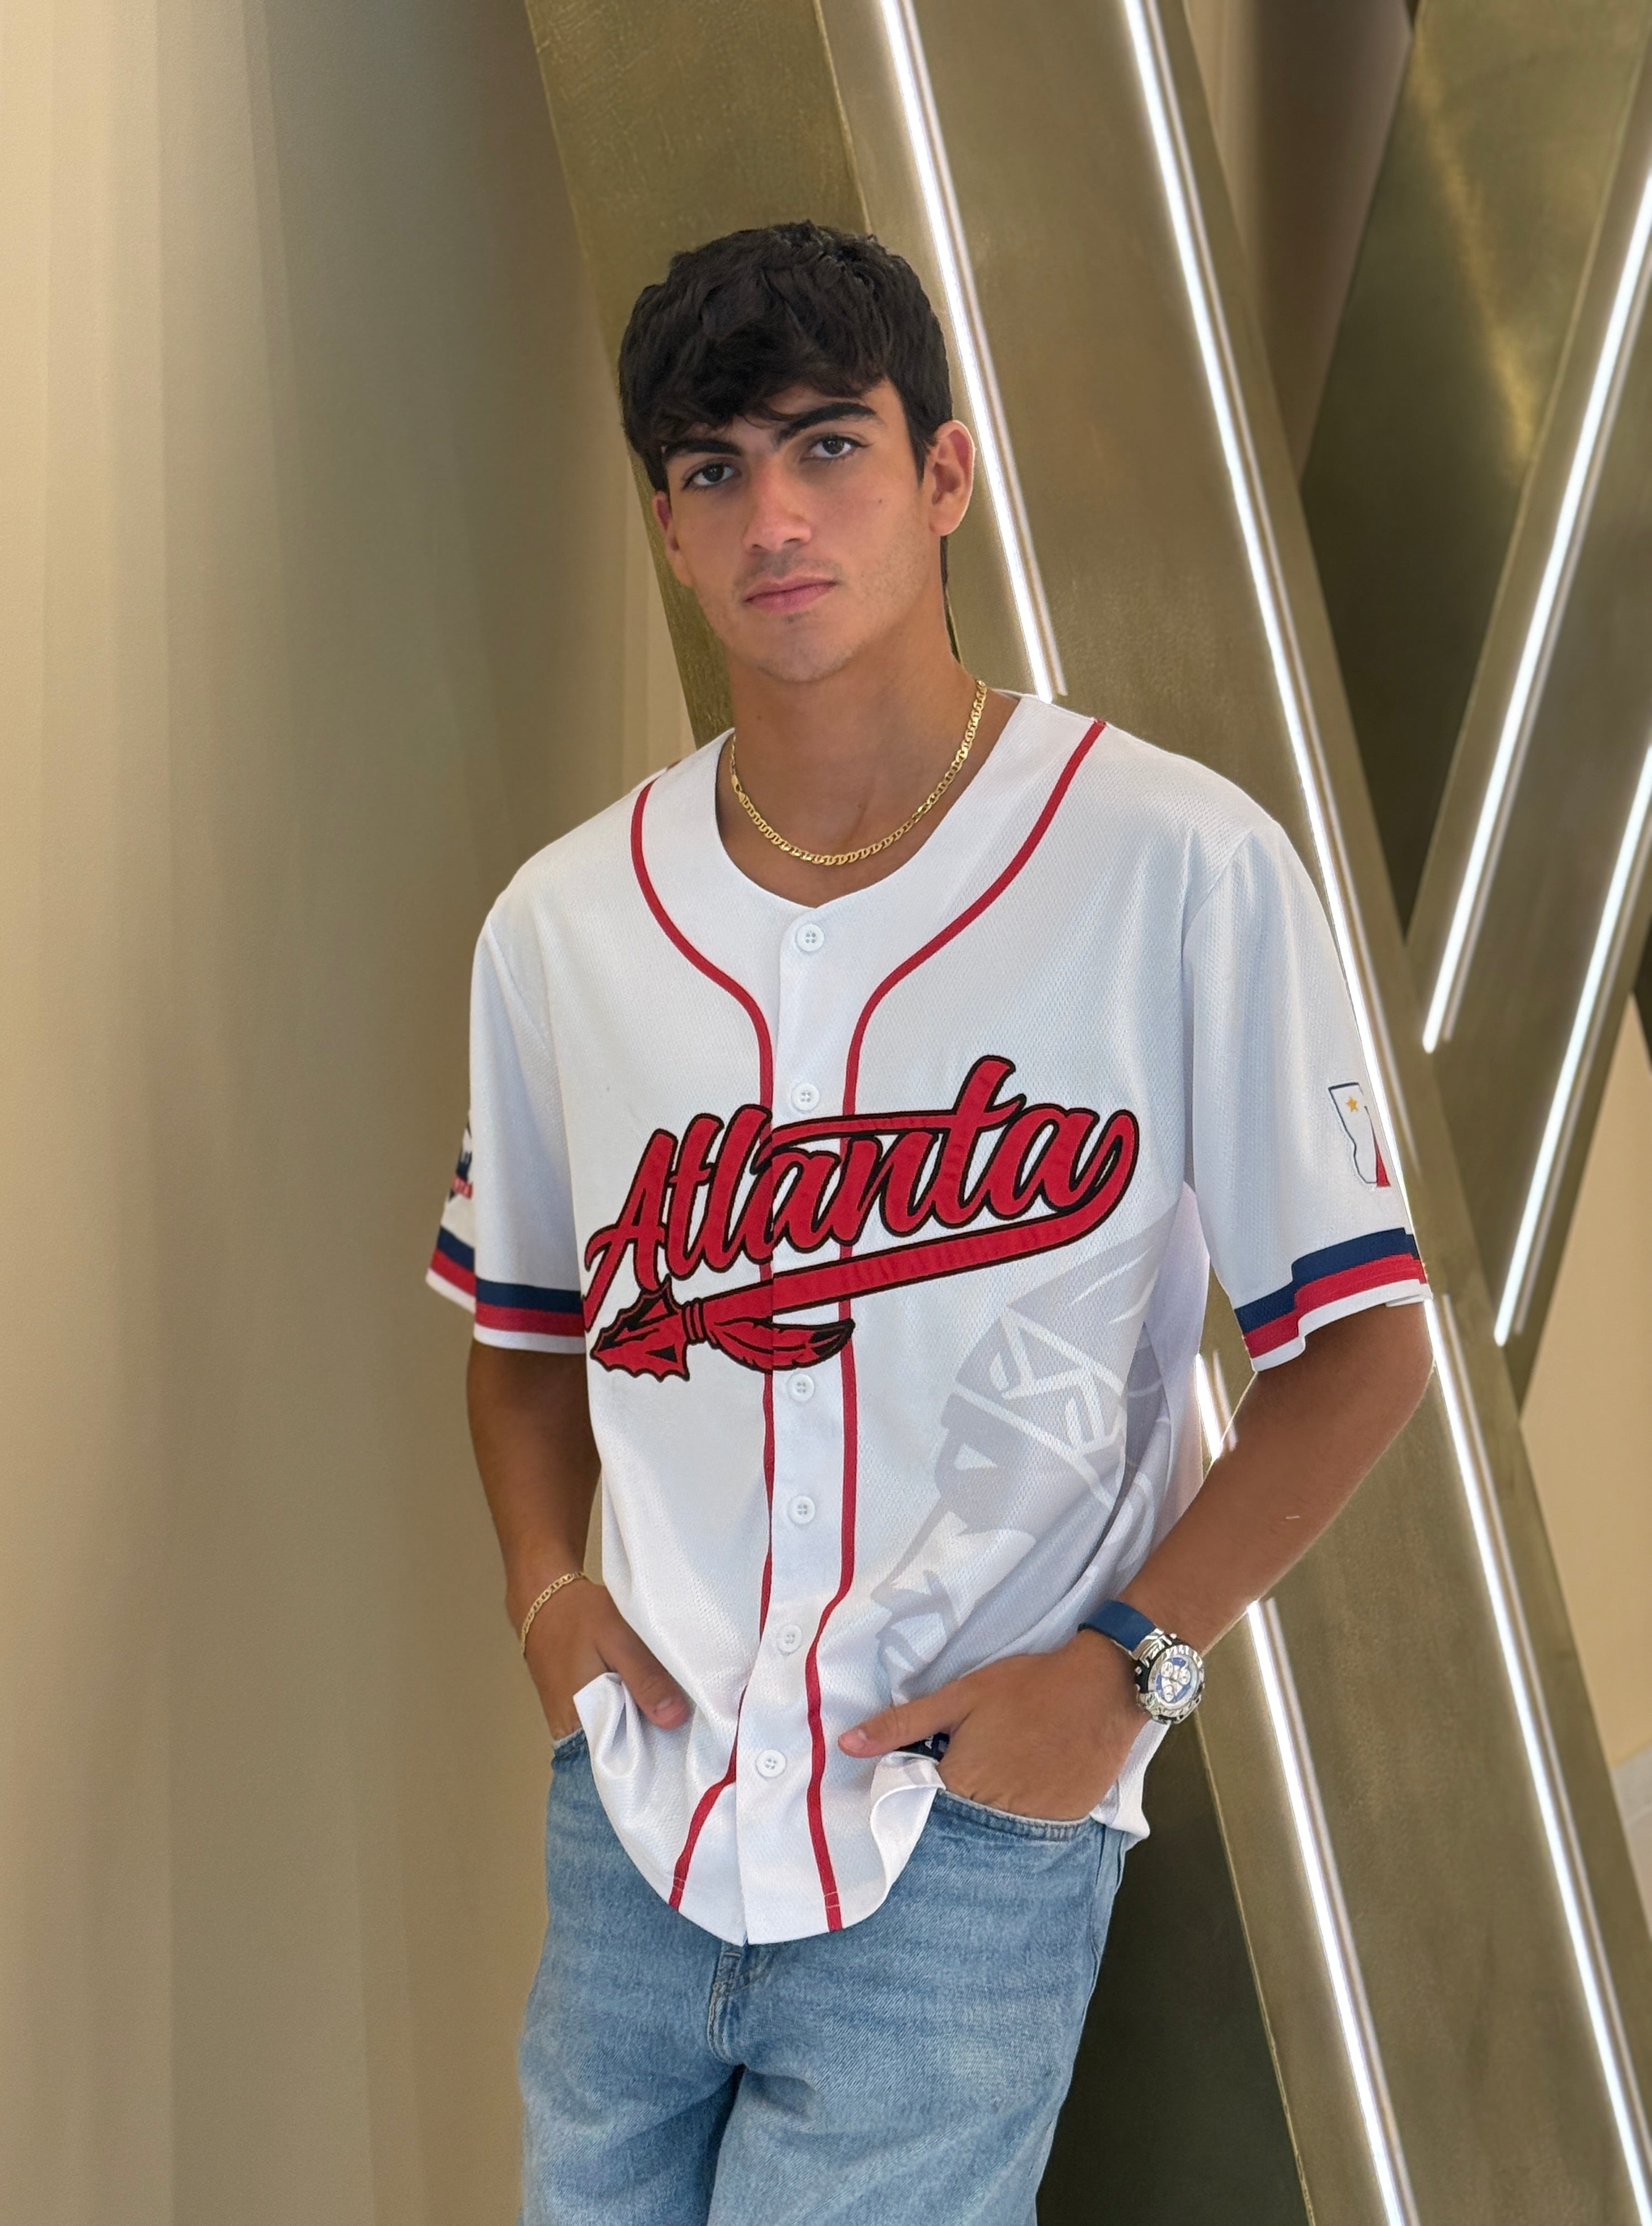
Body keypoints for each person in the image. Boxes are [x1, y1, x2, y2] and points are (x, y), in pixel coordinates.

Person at [427, 220, 1432, 2225]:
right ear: (670, 521)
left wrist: (1127, 1670)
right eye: (715, 470)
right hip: (642, 1806)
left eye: (827, 448)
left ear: (944, 474)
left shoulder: (1174, 863)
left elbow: (1363, 1345)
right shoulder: (565, 922)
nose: (774, 514)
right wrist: (551, 1597)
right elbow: (523, 1335)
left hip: (961, 1837)